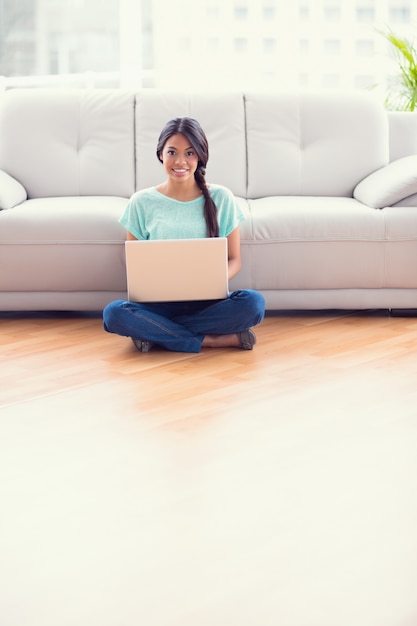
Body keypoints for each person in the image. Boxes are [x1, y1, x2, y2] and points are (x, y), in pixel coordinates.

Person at [103, 117, 265, 353]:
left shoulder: (222, 198)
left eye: (189, 153)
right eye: (172, 152)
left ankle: (158, 334)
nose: (180, 161)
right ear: (161, 154)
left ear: (200, 156)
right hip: (158, 304)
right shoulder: (141, 202)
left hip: (209, 303)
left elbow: (234, 259)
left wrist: (213, 280)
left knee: (253, 304)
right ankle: (210, 340)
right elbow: (135, 262)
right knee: (114, 314)